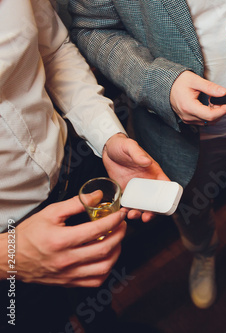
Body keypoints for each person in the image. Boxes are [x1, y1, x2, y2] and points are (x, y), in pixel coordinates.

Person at [69, 0, 226, 309]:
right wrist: (159, 83)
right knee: (190, 210)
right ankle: (204, 252)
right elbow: (93, 28)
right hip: (172, 133)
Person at [0, 0, 168, 331]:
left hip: (74, 171)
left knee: (96, 288)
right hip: (6, 240)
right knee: (29, 321)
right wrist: (7, 255)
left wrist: (107, 137)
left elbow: (53, 50)